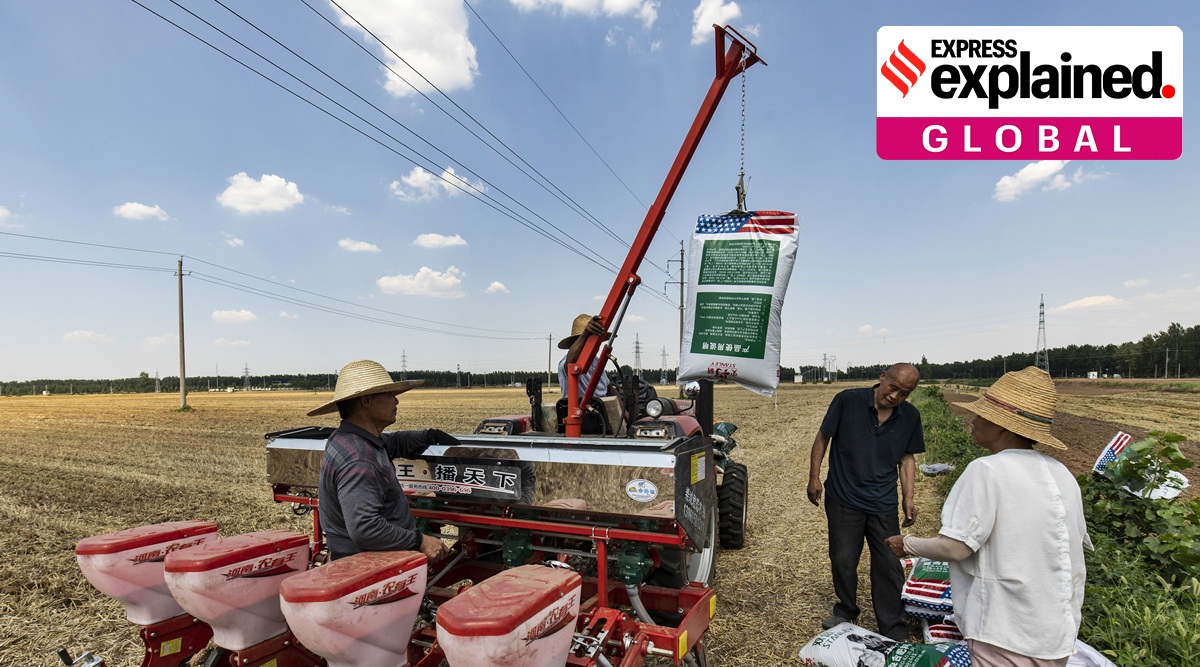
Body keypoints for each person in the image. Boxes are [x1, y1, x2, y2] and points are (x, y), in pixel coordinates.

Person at [885, 367, 1091, 666]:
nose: (973, 421)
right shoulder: (1061, 473)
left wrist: (907, 543)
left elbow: (956, 548)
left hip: (1006, 629)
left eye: (981, 415)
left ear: (1003, 427)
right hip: (1056, 632)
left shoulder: (988, 470)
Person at [807, 363, 923, 641]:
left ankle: (892, 626)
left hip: (882, 502)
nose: (895, 396)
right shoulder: (848, 400)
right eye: (893, 387)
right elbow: (823, 436)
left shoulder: (910, 417)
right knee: (843, 559)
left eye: (904, 394)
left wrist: (909, 498)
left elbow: (907, 458)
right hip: (843, 497)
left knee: (889, 564)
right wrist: (814, 477)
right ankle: (846, 609)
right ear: (883, 377)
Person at [312, 359, 461, 563]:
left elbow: (393, 442)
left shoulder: (348, 439)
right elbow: (365, 528)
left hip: (358, 559)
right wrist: (419, 541)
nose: (396, 401)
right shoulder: (361, 458)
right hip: (367, 566)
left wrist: (429, 436)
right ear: (367, 401)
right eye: (390, 395)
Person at [557, 313, 614, 399]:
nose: (593, 345)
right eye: (588, 340)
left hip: (601, 408)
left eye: (596, 341)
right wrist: (586, 333)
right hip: (580, 409)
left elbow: (609, 388)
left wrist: (624, 411)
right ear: (575, 342)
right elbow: (570, 364)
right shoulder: (566, 362)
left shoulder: (596, 361)